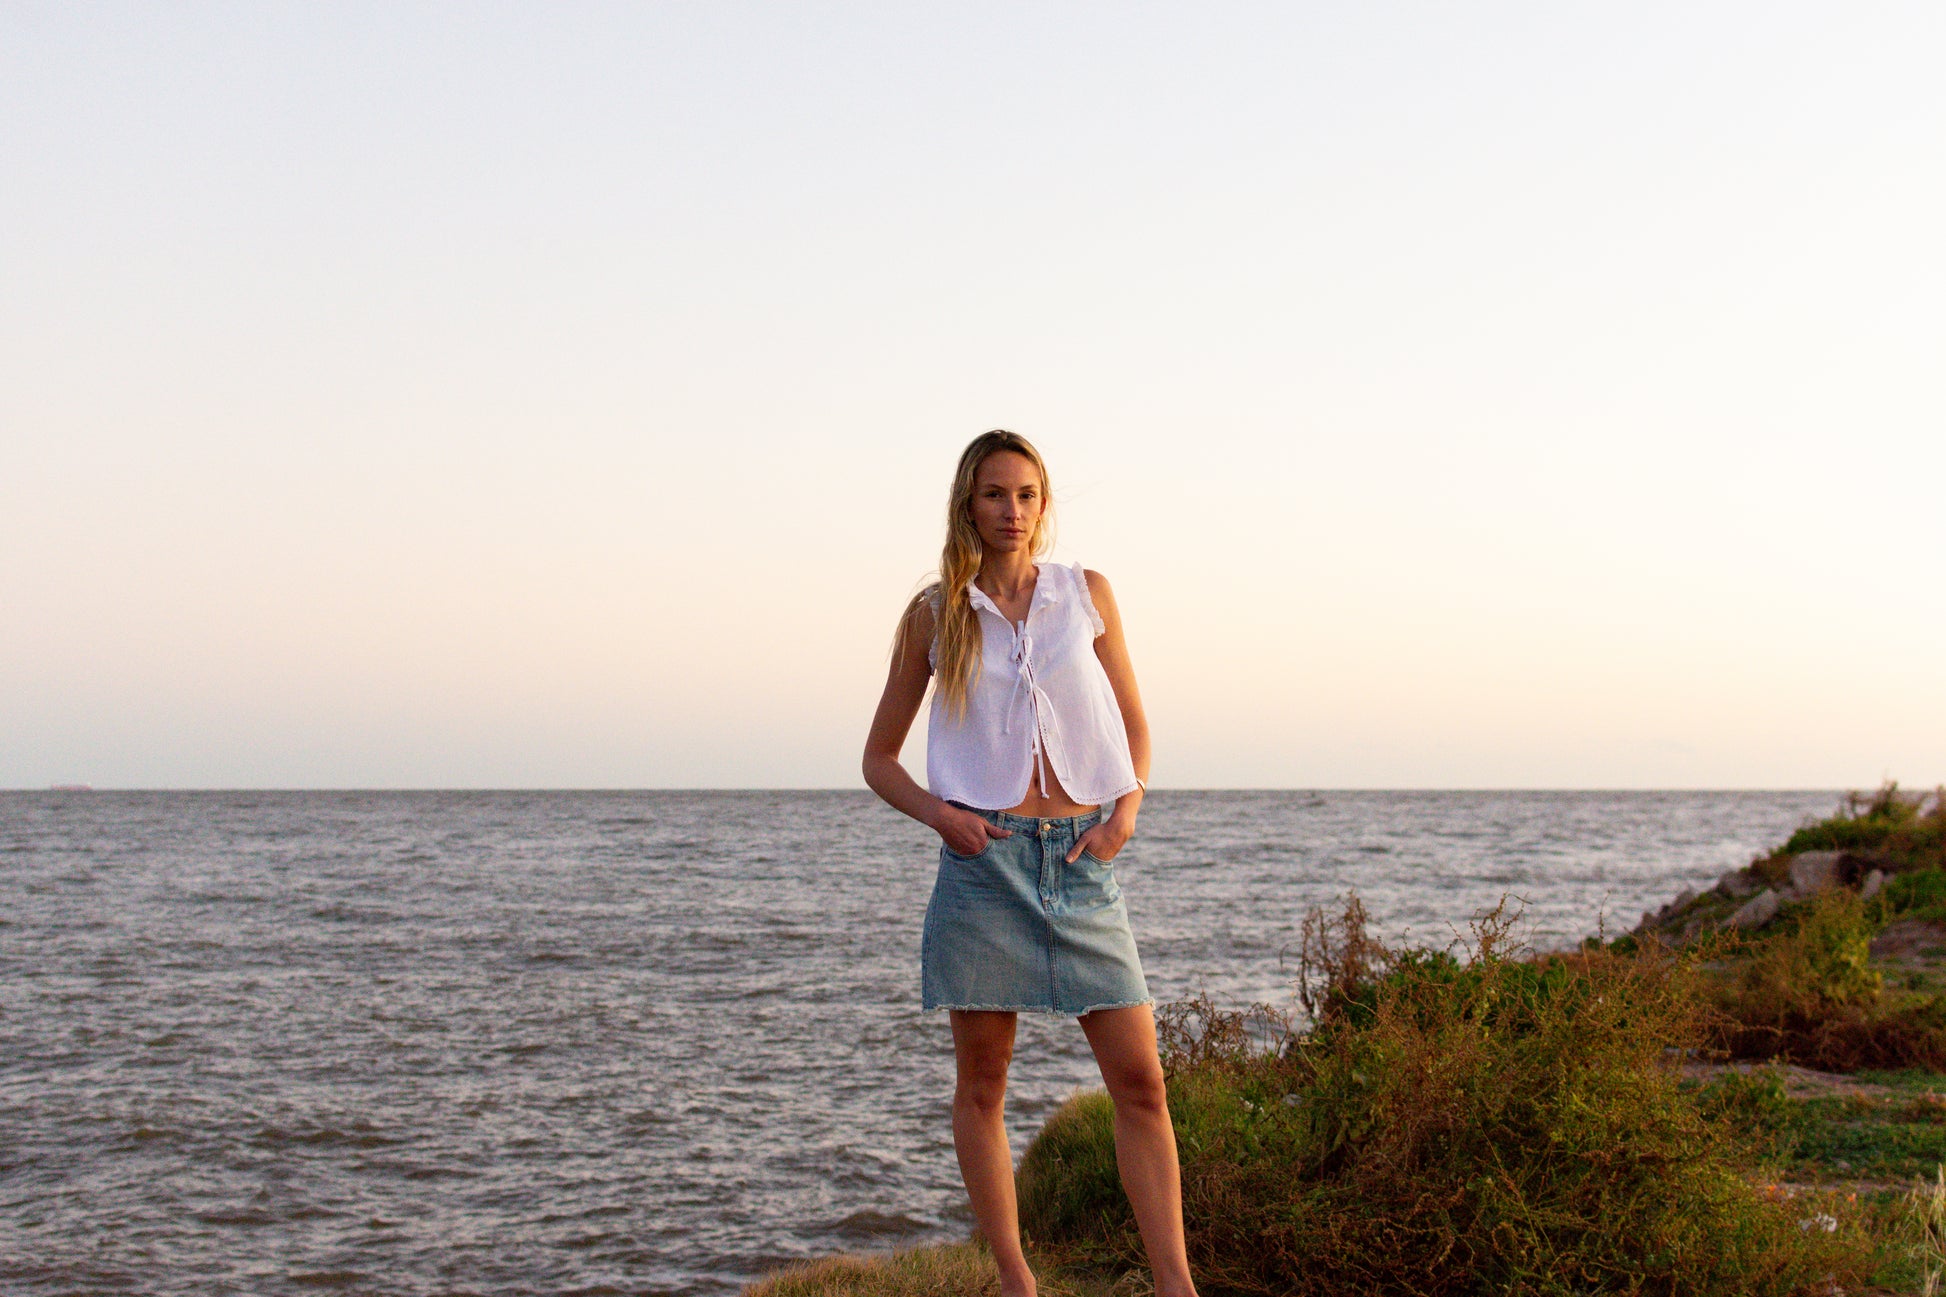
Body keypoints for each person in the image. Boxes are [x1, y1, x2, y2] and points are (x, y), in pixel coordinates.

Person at [862, 430, 1198, 1297]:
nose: (1011, 511)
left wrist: (1127, 809)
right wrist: (944, 817)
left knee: (1142, 1084)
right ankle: (1017, 1278)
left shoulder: (1086, 594)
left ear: (1043, 504)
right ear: (967, 505)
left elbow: (1135, 723)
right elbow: (878, 759)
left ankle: (1176, 1285)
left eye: (1026, 494)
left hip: (1083, 863)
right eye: (994, 494)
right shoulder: (935, 614)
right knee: (983, 1085)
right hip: (986, 867)